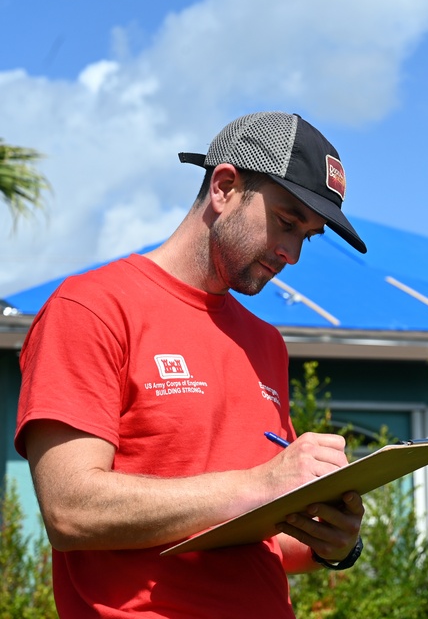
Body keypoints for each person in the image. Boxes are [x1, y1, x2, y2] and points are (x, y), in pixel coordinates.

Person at [14, 111, 368, 618]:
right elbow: (70, 510)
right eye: (286, 222)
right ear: (224, 187)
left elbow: (252, 536)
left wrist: (330, 542)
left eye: (306, 237)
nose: (291, 254)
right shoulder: (92, 307)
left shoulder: (266, 343)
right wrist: (262, 483)